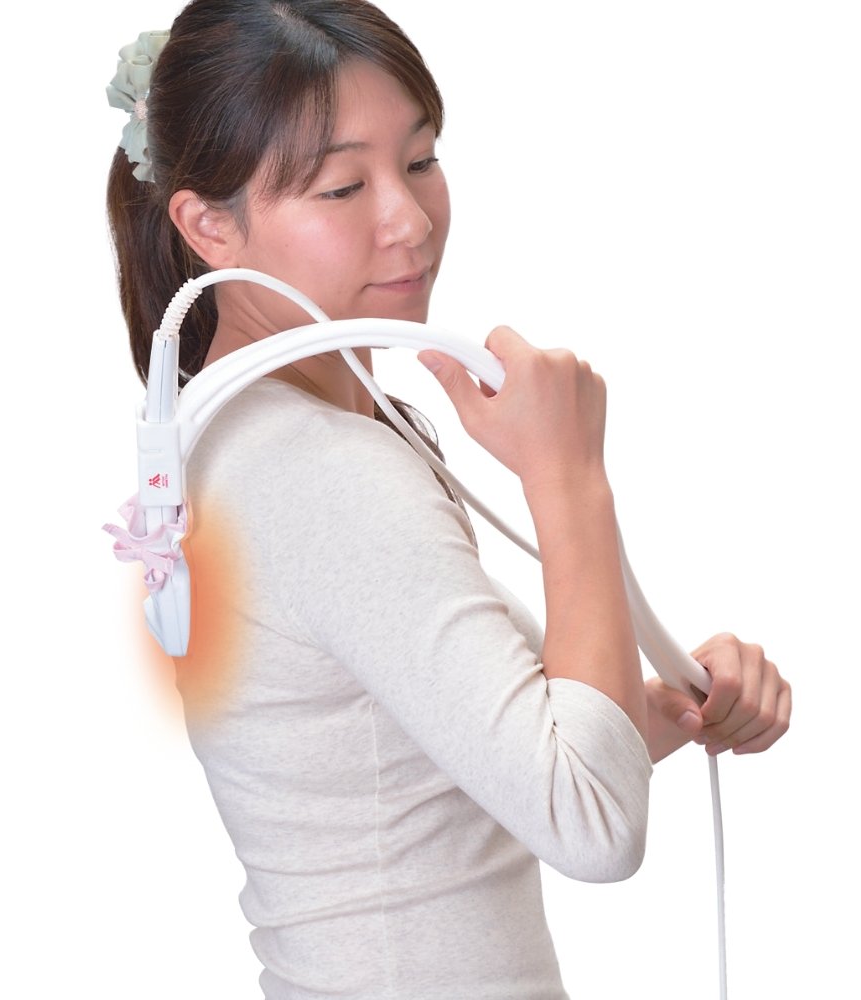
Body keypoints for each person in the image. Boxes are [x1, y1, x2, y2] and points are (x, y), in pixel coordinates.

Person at [106, 2, 791, 997]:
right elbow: (591, 821)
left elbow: (476, 750)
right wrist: (566, 476)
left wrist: (676, 708)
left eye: (420, 160)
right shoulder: (321, 469)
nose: (411, 219)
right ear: (209, 226)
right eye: (344, 186)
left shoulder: (266, 430)